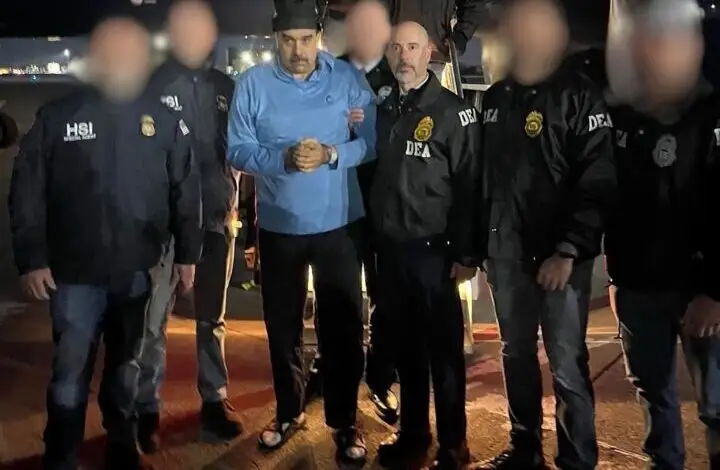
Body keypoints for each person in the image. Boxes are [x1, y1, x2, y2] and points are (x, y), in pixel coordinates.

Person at [7, 17, 201, 470]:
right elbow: (27, 190)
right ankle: (61, 452)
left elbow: (185, 189)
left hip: (136, 270)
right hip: (74, 273)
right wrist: (32, 258)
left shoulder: (164, 119)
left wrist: (188, 254)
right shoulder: (58, 116)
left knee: (126, 366)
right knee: (69, 372)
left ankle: (121, 442)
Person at [227, 0, 376, 463]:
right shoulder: (252, 84)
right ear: (275, 40)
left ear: (319, 37)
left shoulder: (347, 79)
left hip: (339, 225)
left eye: (306, 39)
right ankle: (289, 411)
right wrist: (282, 160)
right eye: (288, 41)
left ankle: (345, 421)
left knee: (343, 326)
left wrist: (332, 154)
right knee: (283, 326)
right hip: (279, 226)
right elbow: (237, 150)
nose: (298, 50)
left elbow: (371, 143)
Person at [477, 1, 616, 469]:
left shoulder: (579, 95)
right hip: (506, 257)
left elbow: (597, 180)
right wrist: (481, 247)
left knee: (566, 364)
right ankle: (525, 449)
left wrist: (569, 249)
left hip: (558, 261)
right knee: (515, 355)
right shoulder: (494, 100)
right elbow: (481, 180)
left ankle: (577, 458)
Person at [604, 0, 720, 467]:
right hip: (640, 286)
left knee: (717, 404)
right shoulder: (624, 116)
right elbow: (616, 202)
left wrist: (715, 291)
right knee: (653, 394)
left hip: (700, 289)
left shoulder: (711, 114)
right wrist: (617, 278)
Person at [372, 21, 481, 470]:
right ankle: (413, 435)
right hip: (392, 251)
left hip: (435, 253)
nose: (404, 55)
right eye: (396, 47)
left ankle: (454, 445)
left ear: (429, 52)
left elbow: (471, 185)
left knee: (445, 356)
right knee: (407, 351)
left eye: (413, 47)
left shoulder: (453, 112)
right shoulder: (384, 107)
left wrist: (467, 253)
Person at [135, 0, 242, 451]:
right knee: (152, 322)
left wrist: (236, 206)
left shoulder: (227, 87)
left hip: (216, 220)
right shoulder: (154, 83)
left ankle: (214, 400)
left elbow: (241, 151)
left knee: (211, 319)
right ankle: (145, 408)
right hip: (165, 225)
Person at [304, 0, 399, 425]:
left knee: (383, 295)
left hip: (384, 205)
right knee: (333, 294)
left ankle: (380, 378)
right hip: (336, 202)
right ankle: (327, 366)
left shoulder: (397, 72)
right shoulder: (329, 71)